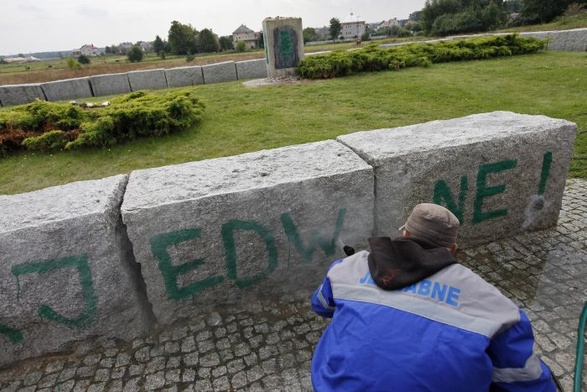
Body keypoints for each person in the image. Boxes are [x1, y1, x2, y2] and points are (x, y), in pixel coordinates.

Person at [310, 203, 556, 391]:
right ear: (452, 250)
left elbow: (320, 305)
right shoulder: (497, 306)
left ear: (405, 234)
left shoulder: (347, 267)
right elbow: (528, 378)